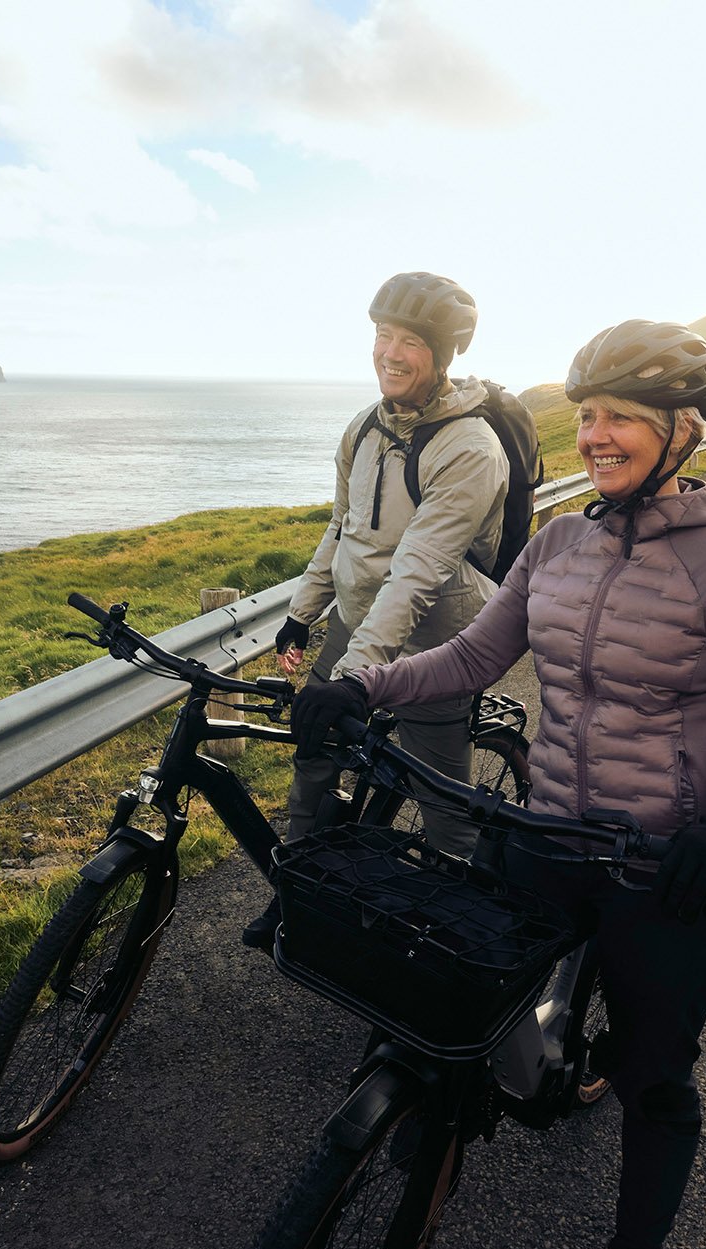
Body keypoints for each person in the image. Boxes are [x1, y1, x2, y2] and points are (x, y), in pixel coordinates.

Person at [294, 320, 706, 1249]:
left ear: (683, 431)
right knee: (437, 999)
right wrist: (363, 682)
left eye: (623, 419)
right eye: (587, 417)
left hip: (658, 864)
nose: (597, 435)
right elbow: (476, 656)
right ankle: (423, 1131)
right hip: (540, 832)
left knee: (656, 1079)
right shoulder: (560, 543)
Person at [247, 272, 512, 948]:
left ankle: (460, 937)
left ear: (444, 353)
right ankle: (295, 892)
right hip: (356, 622)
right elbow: (342, 528)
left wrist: (354, 677)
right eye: (382, 336)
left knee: (444, 804)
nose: (390, 353)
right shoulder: (363, 429)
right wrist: (302, 615)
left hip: (434, 643)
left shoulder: (471, 449)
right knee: (314, 758)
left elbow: (416, 574)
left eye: (410, 342)